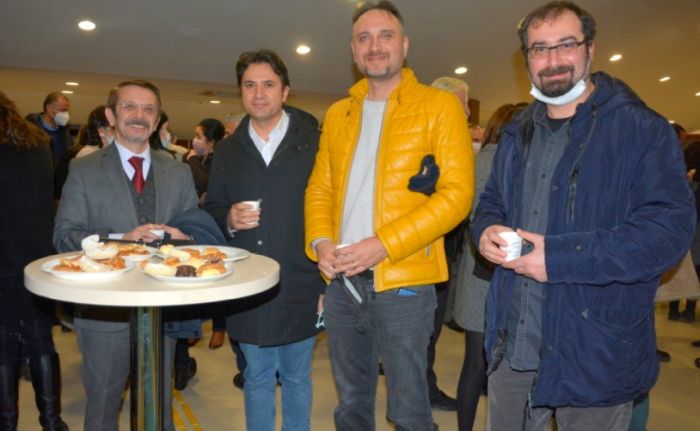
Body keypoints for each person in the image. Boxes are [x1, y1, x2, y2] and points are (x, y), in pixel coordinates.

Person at [472, 2, 696, 430]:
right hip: (515, 343)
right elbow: (492, 203)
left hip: (596, 351)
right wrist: (485, 231)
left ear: (590, 49)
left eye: (566, 45)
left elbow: (666, 233)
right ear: (526, 59)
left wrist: (559, 258)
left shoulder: (639, 129)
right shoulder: (518, 132)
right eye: (540, 49)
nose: (553, 60)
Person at [304, 2, 474, 429]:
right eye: (364, 38)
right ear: (353, 50)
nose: (374, 46)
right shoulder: (338, 114)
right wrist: (320, 242)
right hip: (342, 282)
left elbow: (457, 197)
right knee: (351, 404)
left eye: (385, 36)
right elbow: (320, 188)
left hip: (405, 282)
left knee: (410, 410)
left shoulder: (439, 106)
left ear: (405, 45)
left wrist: (382, 244)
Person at [53, 80, 200, 431]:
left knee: (158, 410)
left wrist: (186, 237)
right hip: (104, 313)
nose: (139, 115)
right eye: (129, 107)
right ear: (110, 116)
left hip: (162, 311)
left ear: (157, 119)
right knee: (103, 410)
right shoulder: (84, 169)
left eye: (149, 109)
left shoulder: (178, 171)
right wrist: (121, 240)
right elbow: (64, 236)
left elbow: (196, 233)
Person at [205, 49, 324, 431]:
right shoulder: (227, 150)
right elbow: (211, 209)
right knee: (256, 377)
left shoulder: (315, 143)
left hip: (301, 281)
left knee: (296, 376)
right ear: (241, 91)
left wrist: (329, 282)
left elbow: (332, 213)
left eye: (268, 84)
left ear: (285, 91)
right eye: (249, 85)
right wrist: (228, 218)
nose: (259, 94)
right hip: (249, 286)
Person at [452, 102, 526, 431]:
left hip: (478, 274)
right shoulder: (508, 160)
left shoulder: (481, 159)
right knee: (497, 364)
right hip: (492, 274)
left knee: (475, 363)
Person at [0, 91, 69, 431]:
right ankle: (52, 422)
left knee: (4, 348)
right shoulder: (38, 145)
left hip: (3, 261)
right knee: (41, 341)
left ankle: (7, 422)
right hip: (37, 260)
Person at [25, 92, 72, 165]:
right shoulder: (31, 129)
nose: (66, 114)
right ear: (49, 109)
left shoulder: (64, 130)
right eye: (63, 110)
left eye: (67, 110)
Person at [185, 118, 225, 201]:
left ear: (211, 142)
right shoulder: (195, 155)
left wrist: (193, 158)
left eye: (198, 136)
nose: (194, 139)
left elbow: (203, 182)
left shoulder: (220, 161)